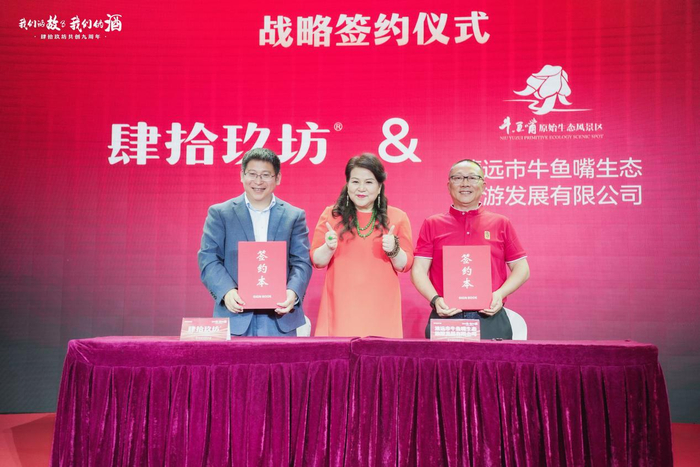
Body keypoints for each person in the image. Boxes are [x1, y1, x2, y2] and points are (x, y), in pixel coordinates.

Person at [198, 148, 312, 336]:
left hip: (280, 317)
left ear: (277, 178)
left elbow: (302, 261)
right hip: (235, 315)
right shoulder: (220, 214)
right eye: (252, 174)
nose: (258, 181)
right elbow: (208, 258)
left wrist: (293, 292)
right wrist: (227, 292)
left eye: (266, 175)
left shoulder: (294, 216)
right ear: (242, 175)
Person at [411, 159, 530, 339]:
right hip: (446, 317)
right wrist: (435, 299)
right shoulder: (432, 224)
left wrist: (500, 294)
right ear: (448, 185)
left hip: (489, 316)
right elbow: (418, 269)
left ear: (483, 186)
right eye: (458, 178)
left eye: (472, 178)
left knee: (494, 359)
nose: (465, 183)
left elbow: (522, 269)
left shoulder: (501, 223)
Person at [311, 154, 413, 337]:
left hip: (381, 308)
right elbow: (317, 261)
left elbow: (404, 265)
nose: (361, 188)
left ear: (379, 186)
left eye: (369, 182)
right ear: (347, 184)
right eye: (355, 181)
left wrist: (394, 250)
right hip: (341, 307)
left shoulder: (398, 217)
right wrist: (328, 247)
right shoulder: (331, 215)